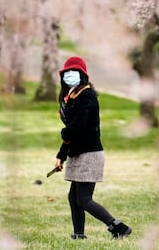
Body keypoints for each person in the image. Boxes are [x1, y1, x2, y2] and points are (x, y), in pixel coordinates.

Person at [54, 56, 132, 240]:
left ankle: (119, 227)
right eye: (67, 73)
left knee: (83, 199)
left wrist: (65, 133)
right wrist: (61, 156)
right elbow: (72, 133)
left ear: (82, 75)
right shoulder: (72, 97)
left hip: (89, 154)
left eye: (74, 72)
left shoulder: (86, 96)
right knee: (74, 198)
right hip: (78, 153)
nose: (70, 76)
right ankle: (79, 235)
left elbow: (78, 127)